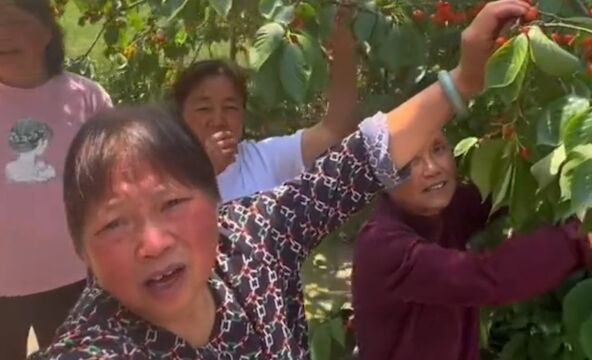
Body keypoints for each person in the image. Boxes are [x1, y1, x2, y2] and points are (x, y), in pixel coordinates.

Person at [29, 0, 535, 358]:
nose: (153, 242)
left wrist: (466, 78)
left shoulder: (253, 237)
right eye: (115, 224)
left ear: (214, 201)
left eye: (173, 204)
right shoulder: (95, 345)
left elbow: (359, 157)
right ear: (82, 252)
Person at [351, 130, 592, 358]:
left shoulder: (441, 210)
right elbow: (488, 277)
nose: (432, 168)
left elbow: (505, 192)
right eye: (410, 161)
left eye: (438, 148)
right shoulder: (383, 246)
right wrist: (584, 231)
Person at [0, 0, 112, 358]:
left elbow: (114, 179)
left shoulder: (86, 99)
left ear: (47, 32)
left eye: (12, 21)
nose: (2, 34)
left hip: (76, 277)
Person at [171, 5, 360, 202]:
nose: (218, 120)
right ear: (179, 116)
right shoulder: (162, 173)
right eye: (204, 108)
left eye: (230, 107)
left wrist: (343, 46)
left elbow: (336, 128)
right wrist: (207, 171)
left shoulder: (263, 159)